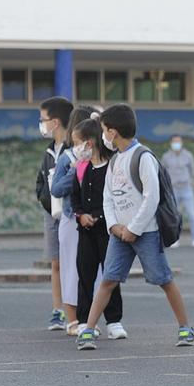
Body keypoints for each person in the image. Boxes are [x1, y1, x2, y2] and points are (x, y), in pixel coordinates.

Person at [75, 104, 194, 349]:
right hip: (120, 233)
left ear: (113, 132)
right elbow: (108, 198)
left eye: (105, 130)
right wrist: (115, 227)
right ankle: (88, 330)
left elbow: (152, 197)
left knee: (164, 279)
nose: (104, 136)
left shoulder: (143, 157)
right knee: (108, 279)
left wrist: (134, 229)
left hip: (146, 232)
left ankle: (186, 329)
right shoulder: (115, 160)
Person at [51, 105, 127, 338]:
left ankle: (114, 321)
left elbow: (116, 195)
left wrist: (103, 218)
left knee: (110, 274)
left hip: (107, 230)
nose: (75, 148)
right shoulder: (80, 167)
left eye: (77, 143)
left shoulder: (112, 165)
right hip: (85, 230)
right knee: (85, 274)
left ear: (90, 143)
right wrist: (80, 214)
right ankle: (84, 321)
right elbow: (73, 194)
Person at [36, 96, 73, 331]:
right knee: (56, 263)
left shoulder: (74, 149)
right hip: (52, 215)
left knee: (74, 264)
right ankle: (57, 311)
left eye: (43, 119)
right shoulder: (49, 152)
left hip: (72, 216)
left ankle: (75, 312)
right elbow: (40, 183)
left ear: (56, 122)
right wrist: (47, 202)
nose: (41, 124)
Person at [162, 134, 194, 248]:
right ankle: (174, 240)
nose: (176, 144)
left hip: (186, 189)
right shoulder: (166, 156)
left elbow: (192, 170)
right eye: (174, 142)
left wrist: (186, 179)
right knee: (174, 216)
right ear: (171, 143)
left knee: (192, 215)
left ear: (182, 143)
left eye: (178, 142)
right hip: (173, 189)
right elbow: (163, 171)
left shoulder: (188, 155)